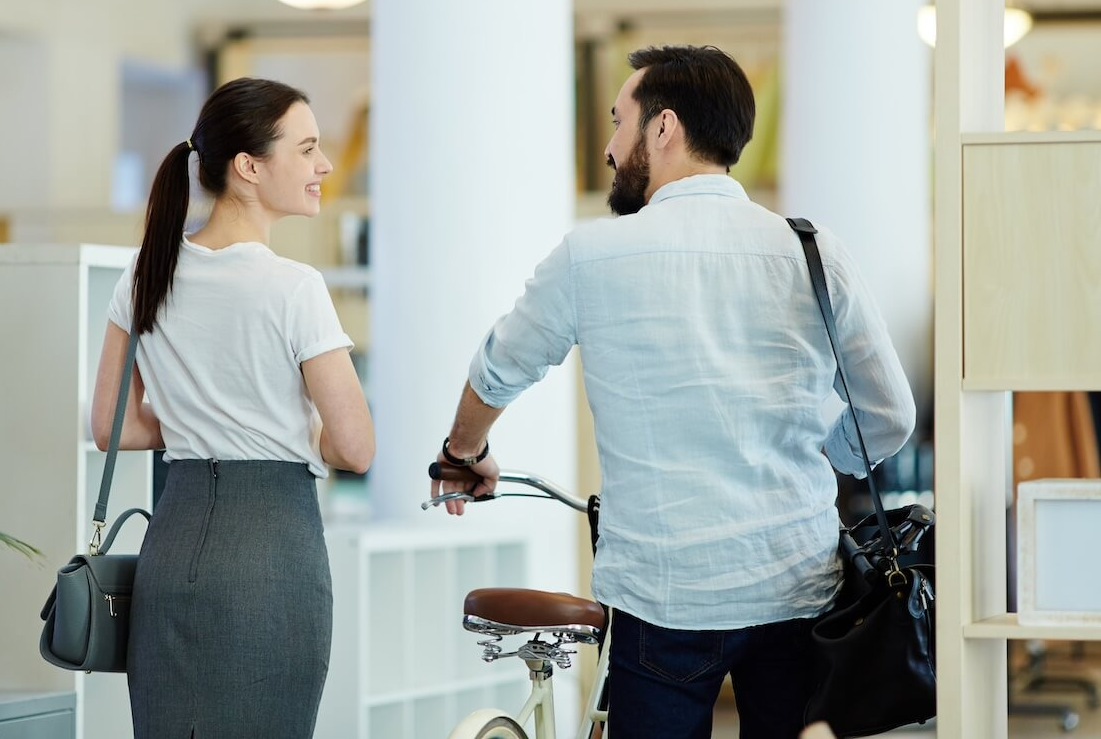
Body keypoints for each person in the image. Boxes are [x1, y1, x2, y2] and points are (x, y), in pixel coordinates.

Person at [429, 45, 914, 739]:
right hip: (797, 585)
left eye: (618, 121)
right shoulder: (811, 251)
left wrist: (462, 449)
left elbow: (499, 367)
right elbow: (887, 417)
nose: (607, 146)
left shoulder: (591, 256)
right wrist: (808, 459)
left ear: (663, 128)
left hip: (662, 597)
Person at [91, 77, 374, 739]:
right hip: (270, 553)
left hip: (174, 539)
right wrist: (299, 429)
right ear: (249, 167)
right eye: (306, 149)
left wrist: (198, 420)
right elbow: (355, 445)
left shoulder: (144, 273)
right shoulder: (294, 287)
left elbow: (108, 426)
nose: (324, 165)